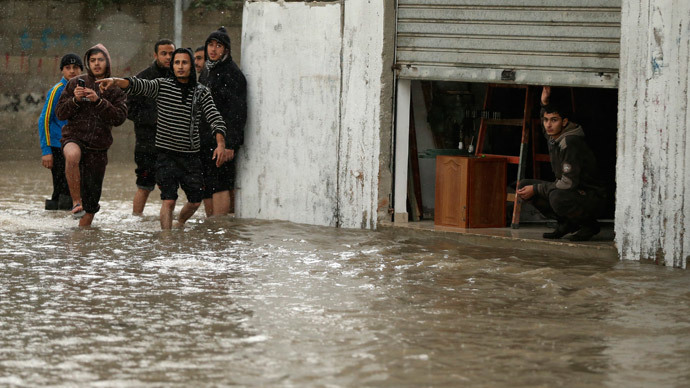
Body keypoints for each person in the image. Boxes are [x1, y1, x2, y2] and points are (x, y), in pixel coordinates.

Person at [97, 48, 229, 230]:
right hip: (166, 155)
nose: (180, 67)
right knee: (169, 200)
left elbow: (215, 118)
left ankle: (180, 222)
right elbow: (137, 84)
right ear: (172, 66)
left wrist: (220, 144)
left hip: (191, 157)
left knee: (195, 201)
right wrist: (114, 81)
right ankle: (166, 241)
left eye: (184, 62)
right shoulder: (162, 86)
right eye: (177, 63)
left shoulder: (201, 92)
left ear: (191, 65)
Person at [516, 87, 606, 241]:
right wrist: (544, 104)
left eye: (554, 120)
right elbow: (546, 129)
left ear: (564, 122)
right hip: (572, 192)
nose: (548, 125)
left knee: (556, 197)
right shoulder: (555, 137)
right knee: (523, 185)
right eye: (546, 120)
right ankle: (566, 223)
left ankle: (589, 224)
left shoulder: (570, 142)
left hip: (590, 197)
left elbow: (568, 183)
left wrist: (537, 188)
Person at [56, 44, 128, 227]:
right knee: (72, 155)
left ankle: (80, 243)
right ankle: (75, 201)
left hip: (99, 147)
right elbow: (60, 113)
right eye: (93, 60)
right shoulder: (75, 83)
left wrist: (99, 102)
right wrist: (75, 100)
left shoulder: (115, 88)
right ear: (88, 63)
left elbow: (119, 118)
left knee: (91, 205)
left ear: (107, 63)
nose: (96, 64)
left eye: (100, 60)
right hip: (74, 137)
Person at [198, 26, 247, 216]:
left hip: (222, 142)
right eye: (210, 44)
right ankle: (211, 229)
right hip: (204, 139)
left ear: (226, 49)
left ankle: (221, 231)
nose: (213, 49)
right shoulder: (207, 71)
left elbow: (237, 113)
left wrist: (230, 144)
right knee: (207, 185)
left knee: (220, 184)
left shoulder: (232, 74)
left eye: (218, 46)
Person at [127, 39, 175, 215]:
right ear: (155, 55)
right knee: (144, 186)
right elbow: (129, 110)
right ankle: (136, 221)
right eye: (164, 53)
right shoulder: (142, 78)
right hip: (147, 144)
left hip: (172, 145)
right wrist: (154, 118)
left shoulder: (179, 77)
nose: (168, 57)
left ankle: (168, 227)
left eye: (171, 53)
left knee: (171, 190)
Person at [38, 53, 82, 211]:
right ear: (62, 70)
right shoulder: (57, 90)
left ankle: (56, 225)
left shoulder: (82, 90)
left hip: (74, 145)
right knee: (64, 186)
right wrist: (46, 150)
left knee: (65, 187)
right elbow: (44, 120)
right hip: (57, 146)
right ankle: (64, 227)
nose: (72, 71)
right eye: (68, 68)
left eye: (75, 67)